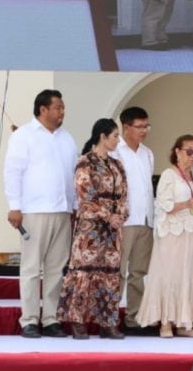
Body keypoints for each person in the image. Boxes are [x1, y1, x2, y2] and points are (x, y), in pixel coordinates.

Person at [4, 89, 77, 338]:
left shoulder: (67, 138)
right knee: (32, 268)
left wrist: (73, 206)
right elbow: (12, 171)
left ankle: (51, 318)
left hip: (62, 210)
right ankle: (30, 320)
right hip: (33, 210)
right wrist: (15, 206)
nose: (62, 112)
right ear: (43, 109)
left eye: (63, 107)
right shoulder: (24, 135)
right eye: (58, 107)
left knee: (57, 269)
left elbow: (72, 176)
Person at [137, 135, 193, 338]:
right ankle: (165, 322)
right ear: (177, 152)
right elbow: (164, 204)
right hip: (173, 234)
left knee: (190, 276)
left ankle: (185, 323)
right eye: (189, 151)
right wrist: (187, 205)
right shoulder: (168, 175)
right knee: (170, 276)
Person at [58, 118, 129, 340]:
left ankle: (107, 322)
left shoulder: (117, 164)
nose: (119, 140)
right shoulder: (85, 163)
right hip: (91, 227)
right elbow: (84, 196)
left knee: (109, 274)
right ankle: (78, 322)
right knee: (84, 272)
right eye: (115, 136)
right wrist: (108, 216)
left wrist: (120, 215)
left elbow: (124, 194)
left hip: (112, 229)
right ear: (102, 136)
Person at [110, 107, 156, 335]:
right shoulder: (115, 153)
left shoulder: (148, 153)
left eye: (147, 126)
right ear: (126, 127)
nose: (144, 131)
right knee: (117, 272)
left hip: (145, 219)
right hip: (124, 221)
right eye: (140, 126)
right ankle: (109, 319)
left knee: (139, 272)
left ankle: (134, 318)